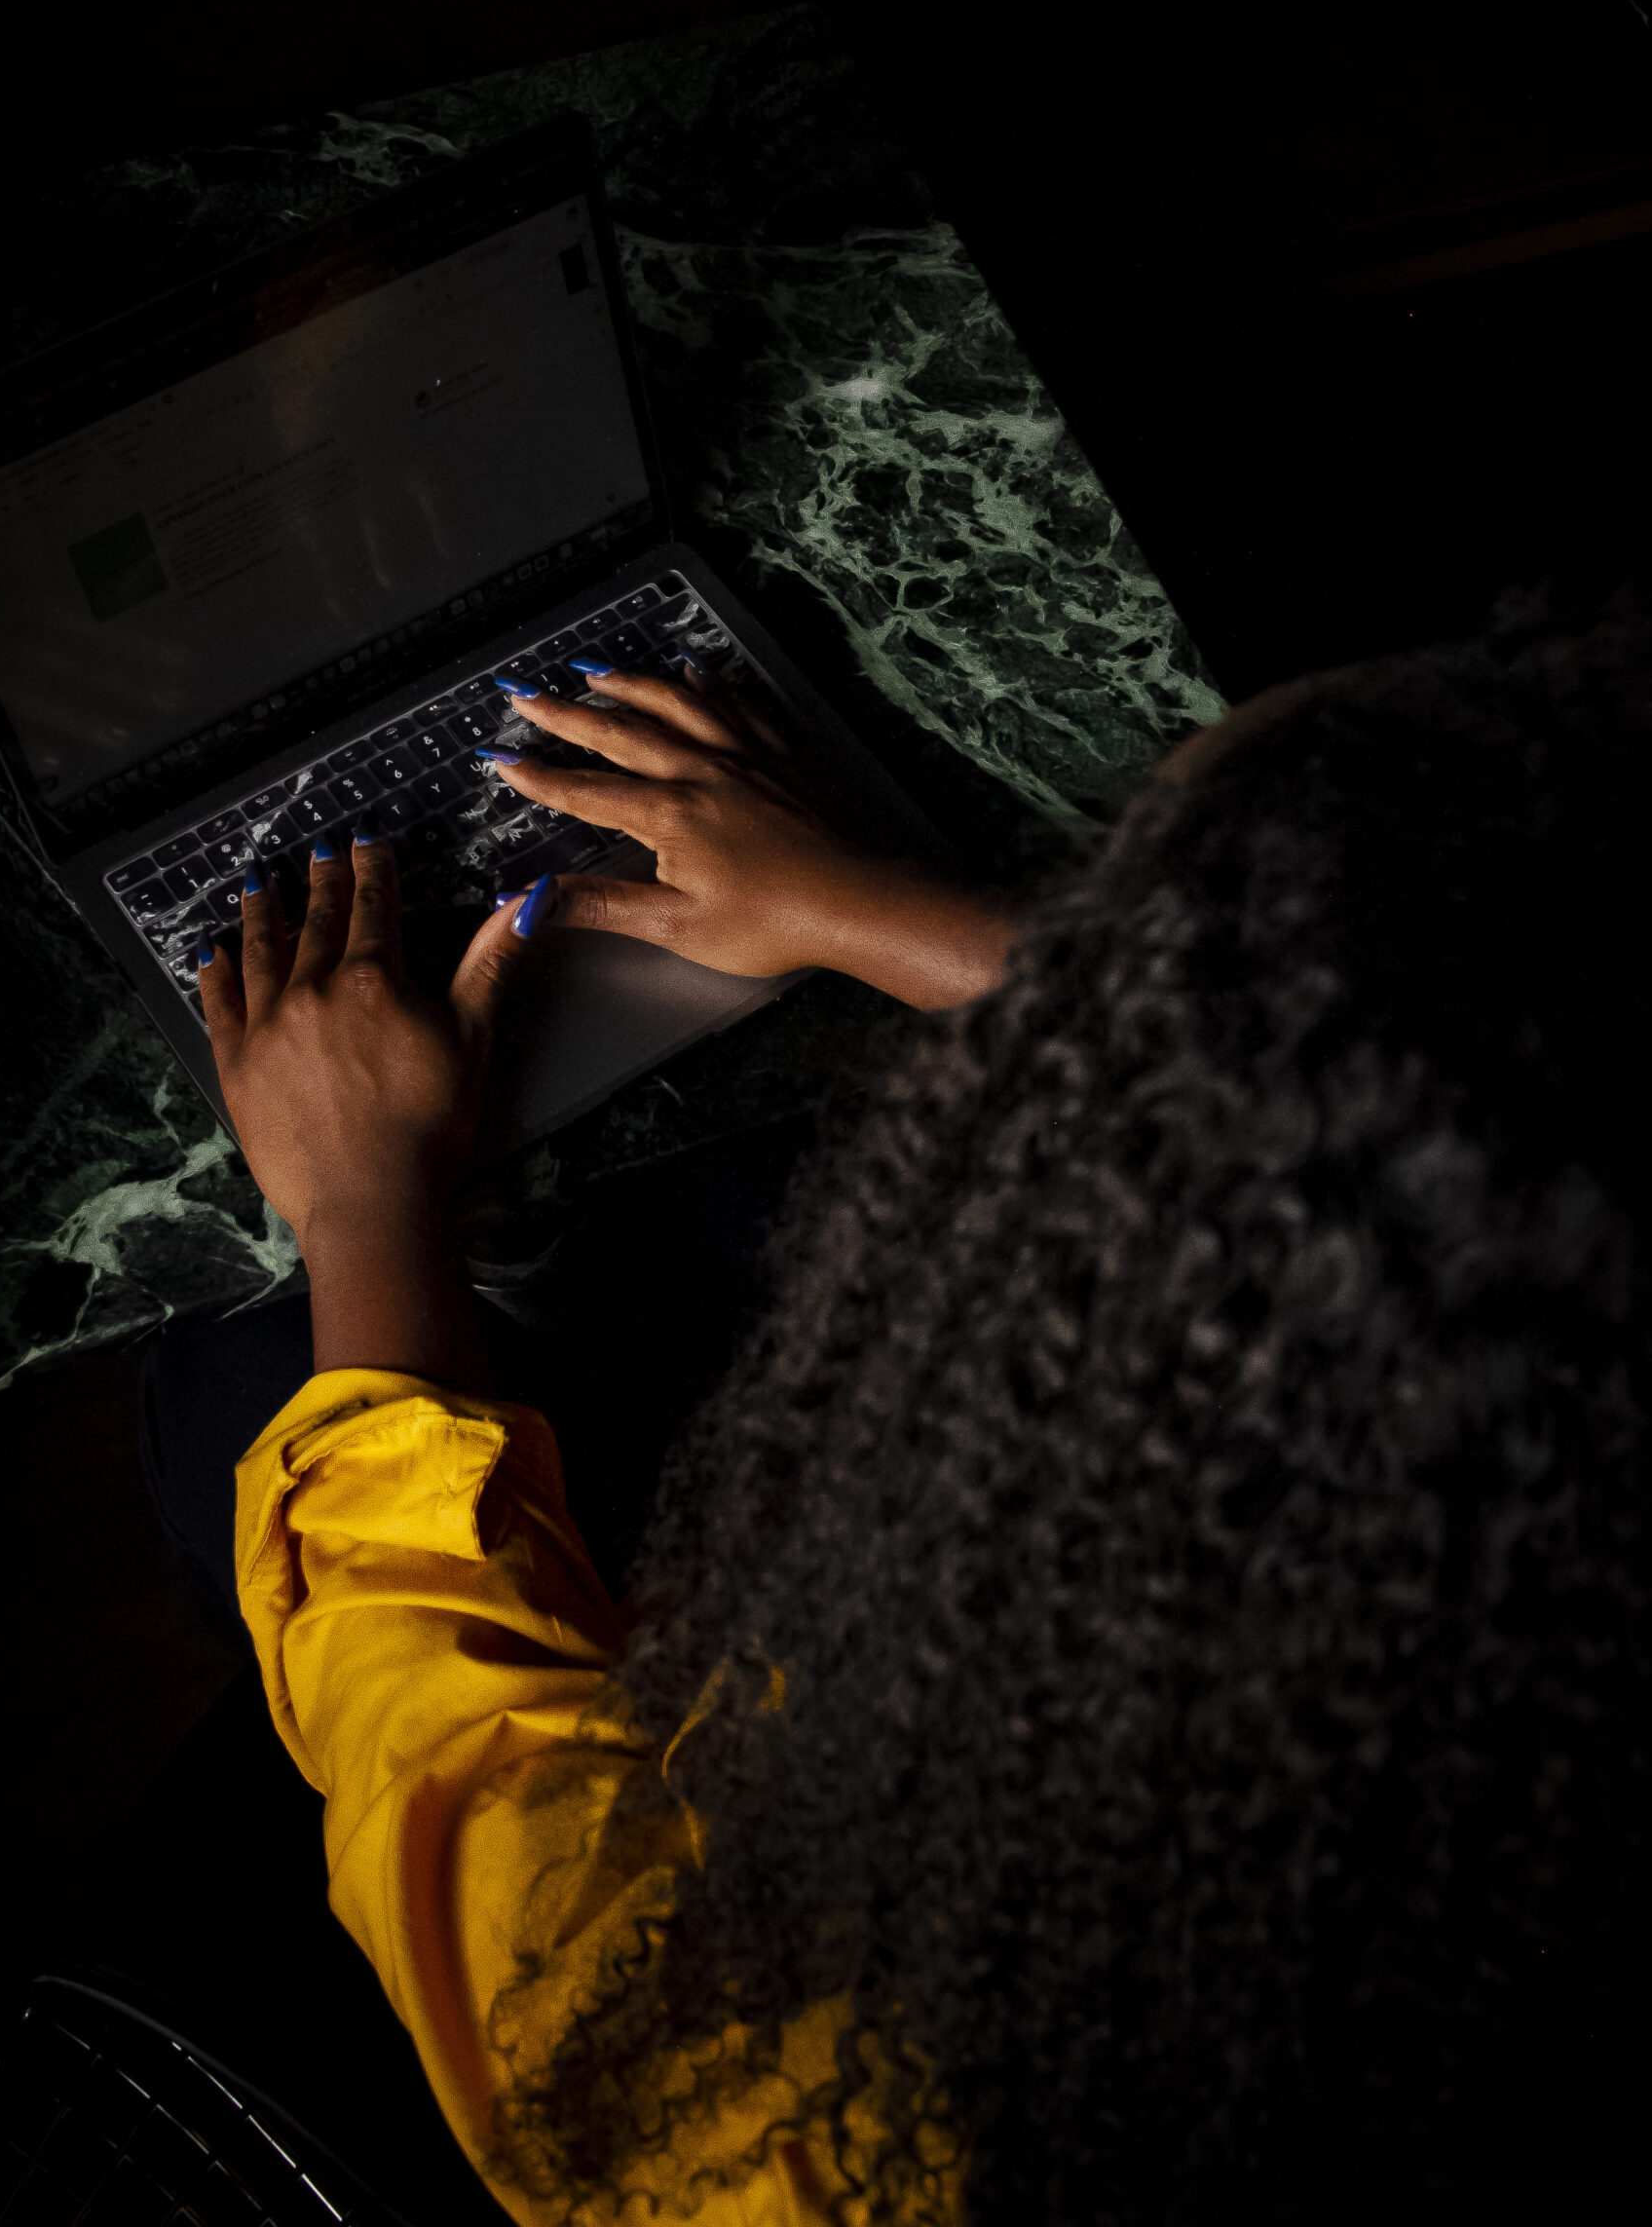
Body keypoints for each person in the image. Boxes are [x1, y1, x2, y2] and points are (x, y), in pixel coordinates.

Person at [189, 603, 1646, 2227]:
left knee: (230, 1383)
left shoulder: (793, 2144)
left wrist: (360, 1200)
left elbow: (461, 1777)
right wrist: (875, 910)